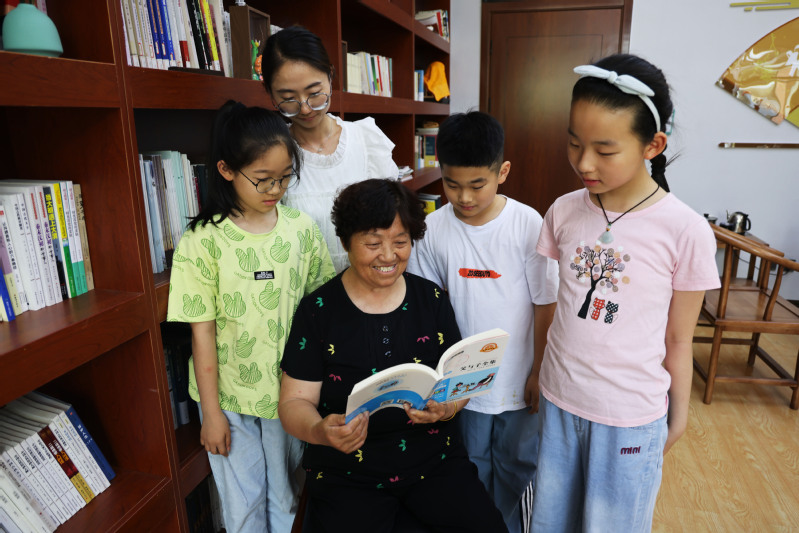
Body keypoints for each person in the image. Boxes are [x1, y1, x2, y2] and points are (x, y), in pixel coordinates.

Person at [531, 54, 720, 532]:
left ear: (652, 145)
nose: (583, 163)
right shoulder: (563, 211)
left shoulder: (685, 230)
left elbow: (678, 338)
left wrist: (679, 415)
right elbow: (554, 305)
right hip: (560, 400)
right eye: (574, 143)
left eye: (605, 150)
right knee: (549, 521)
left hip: (629, 416)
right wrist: (537, 371)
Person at [279, 179, 508, 533]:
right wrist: (318, 430)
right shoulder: (318, 311)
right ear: (345, 242)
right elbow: (294, 402)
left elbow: (459, 383)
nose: (388, 256)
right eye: (373, 244)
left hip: (434, 461)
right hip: (347, 471)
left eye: (400, 242)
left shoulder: (431, 299)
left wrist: (447, 407)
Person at [166, 101, 336, 533]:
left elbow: (321, 311)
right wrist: (210, 414)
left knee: (287, 497)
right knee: (242, 505)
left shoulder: (301, 230)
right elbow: (201, 334)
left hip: (290, 393)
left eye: (285, 177)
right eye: (263, 179)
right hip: (227, 398)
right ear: (225, 170)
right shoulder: (202, 241)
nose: (275, 188)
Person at [406, 111, 559, 533]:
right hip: (461, 386)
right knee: (469, 466)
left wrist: (539, 370)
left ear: (502, 172)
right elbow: (428, 306)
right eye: (452, 184)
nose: (464, 197)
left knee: (517, 466)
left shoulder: (527, 224)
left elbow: (545, 303)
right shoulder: (433, 229)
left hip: (518, 379)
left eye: (477, 185)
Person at [261, 25, 400, 273]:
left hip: (370, 285)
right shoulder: (270, 154)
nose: (305, 108)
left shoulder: (366, 140)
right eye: (288, 98)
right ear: (271, 95)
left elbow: (394, 222)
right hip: (303, 291)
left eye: (315, 93)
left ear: (331, 75)